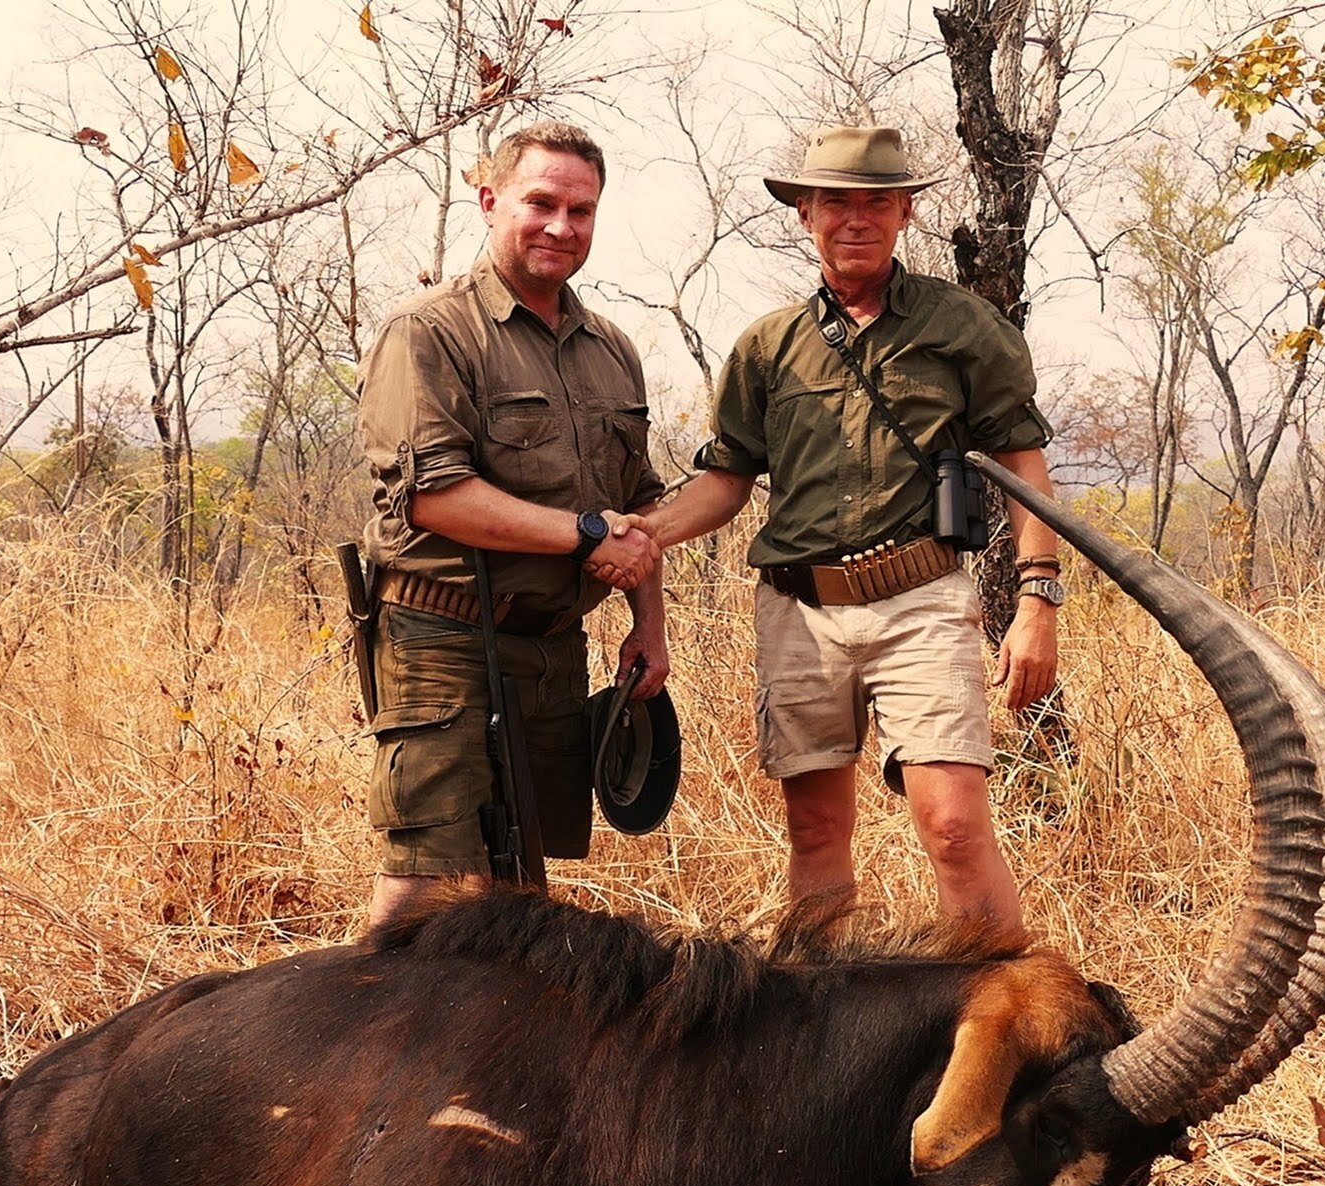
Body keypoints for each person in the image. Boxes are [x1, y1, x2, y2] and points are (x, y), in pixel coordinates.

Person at [640, 126, 1063, 934]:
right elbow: (727, 479)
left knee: (954, 826)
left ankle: (1008, 1021)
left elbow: (1023, 465)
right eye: (836, 201)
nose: (855, 219)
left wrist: (1037, 602)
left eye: (876, 202)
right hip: (800, 611)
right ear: (805, 212)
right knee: (816, 831)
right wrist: (642, 535)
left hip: (922, 602)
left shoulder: (961, 325)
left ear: (906, 211)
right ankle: (820, 1031)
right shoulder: (768, 345)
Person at [356, 122, 667, 927]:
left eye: (582, 209)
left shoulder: (614, 350)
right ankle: (366, 1048)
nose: (562, 226)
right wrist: (587, 535)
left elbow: (642, 508)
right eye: (541, 202)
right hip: (442, 639)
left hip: (555, 652)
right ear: (491, 200)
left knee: (522, 896)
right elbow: (434, 497)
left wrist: (649, 628)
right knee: (426, 889)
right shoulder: (429, 332)